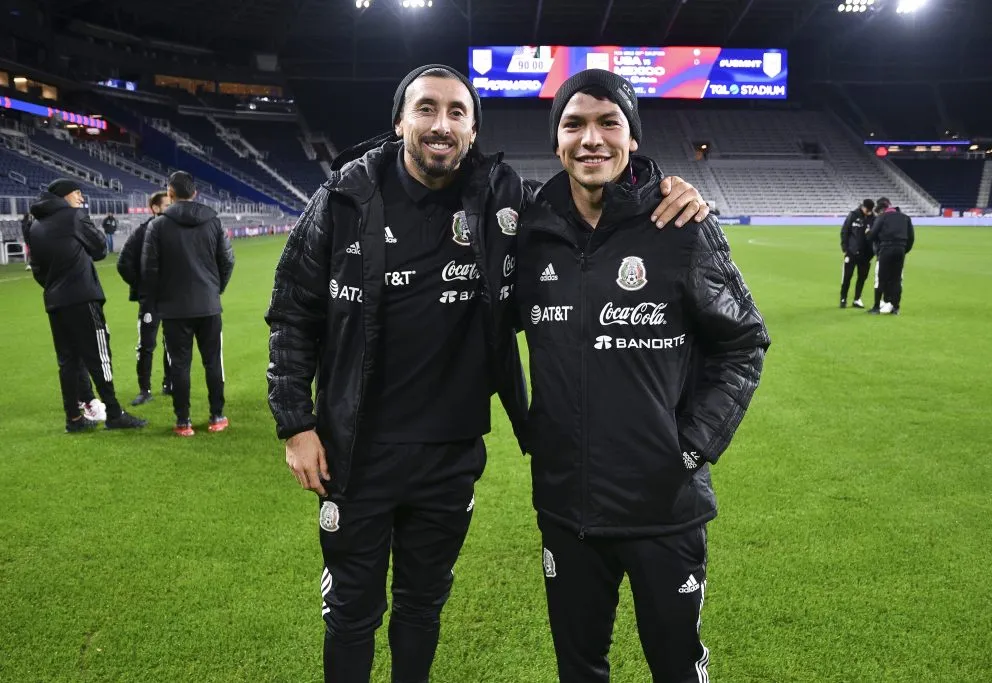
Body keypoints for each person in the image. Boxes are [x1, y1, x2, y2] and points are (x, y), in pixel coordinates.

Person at [265, 64, 710, 683]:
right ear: (400, 122)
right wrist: (296, 424)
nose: (440, 125)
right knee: (350, 613)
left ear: (473, 130)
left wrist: (664, 185)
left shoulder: (502, 198)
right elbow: (292, 313)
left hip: (449, 453)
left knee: (421, 607)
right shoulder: (343, 197)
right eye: (426, 110)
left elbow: (592, 197)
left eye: (456, 113)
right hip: (354, 448)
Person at [516, 70, 770, 682]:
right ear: (557, 141)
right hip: (567, 507)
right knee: (579, 669)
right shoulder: (530, 233)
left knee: (677, 666)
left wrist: (690, 448)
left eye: (609, 123)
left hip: (665, 505)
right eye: (574, 124)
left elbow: (744, 343)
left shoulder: (681, 224)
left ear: (632, 140)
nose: (591, 139)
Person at [28, 178, 147, 432]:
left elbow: (37, 270)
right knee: (99, 356)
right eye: (77, 193)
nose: (81, 198)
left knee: (68, 361)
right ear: (64, 196)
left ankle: (73, 419)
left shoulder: (35, 225)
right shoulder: (73, 217)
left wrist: (55, 287)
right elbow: (100, 249)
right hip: (82, 297)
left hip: (55, 301)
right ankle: (114, 414)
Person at [141, 171, 234, 436]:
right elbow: (227, 260)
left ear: (170, 194)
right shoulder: (213, 221)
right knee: (213, 362)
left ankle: (183, 422)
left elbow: (148, 269)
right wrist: (216, 289)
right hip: (208, 304)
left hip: (173, 309)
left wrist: (160, 298)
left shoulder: (157, 226)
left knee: (179, 365)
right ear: (195, 193)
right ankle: (217, 416)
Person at [118, 191, 173, 405]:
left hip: (172, 299)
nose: (171, 208)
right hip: (151, 300)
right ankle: (144, 389)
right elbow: (123, 263)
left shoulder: (174, 230)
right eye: (167, 205)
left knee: (172, 342)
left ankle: (170, 384)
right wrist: (143, 287)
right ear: (155, 208)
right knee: (146, 344)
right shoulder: (142, 232)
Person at [867, 197, 914, 315]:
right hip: (900, 249)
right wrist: (904, 250)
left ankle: (876, 307)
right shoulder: (905, 218)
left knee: (881, 278)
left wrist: (868, 233)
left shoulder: (882, 217)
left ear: (881, 210)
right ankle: (895, 308)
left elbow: (872, 235)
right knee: (896, 279)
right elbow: (911, 238)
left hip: (886, 249)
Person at [839, 198, 874, 308]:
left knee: (862, 277)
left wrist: (872, 252)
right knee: (847, 276)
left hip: (866, 254)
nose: (868, 212)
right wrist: (845, 248)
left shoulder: (873, 218)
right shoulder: (853, 215)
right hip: (852, 252)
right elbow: (845, 230)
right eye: (867, 210)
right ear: (862, 207)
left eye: (870, 210)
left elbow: (874, 235)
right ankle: (843, 298)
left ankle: (857, 299)